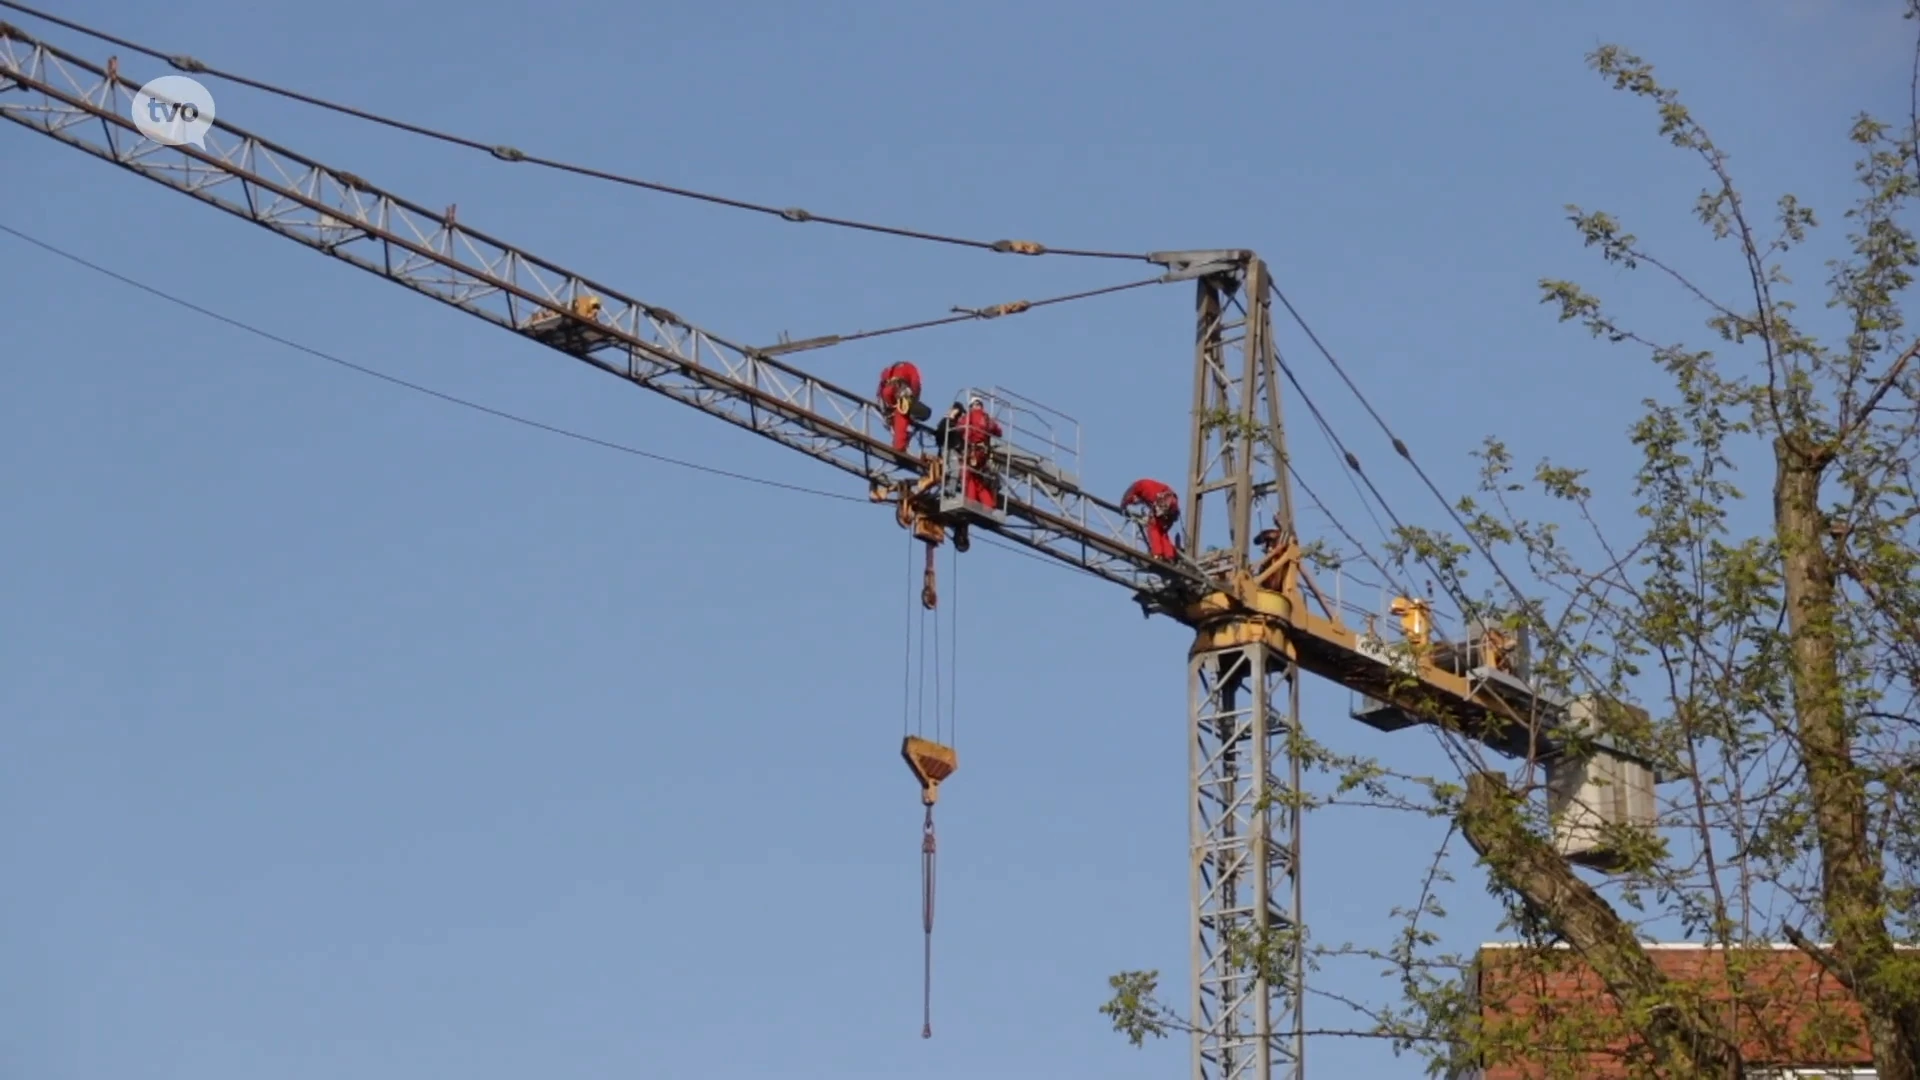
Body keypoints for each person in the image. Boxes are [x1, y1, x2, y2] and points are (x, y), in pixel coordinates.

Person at [956, 395, 1002, 510]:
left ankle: (970, 502)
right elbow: (999, 432)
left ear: (972, 406)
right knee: (979, 480)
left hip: (972, 451)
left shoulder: (970, 416)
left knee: (967, 475)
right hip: (983, 455)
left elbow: (959, 428)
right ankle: (988, 505)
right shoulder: (987, 419)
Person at [1121, 478, 1181, 561]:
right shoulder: (1151, 489)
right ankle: (1169, 555)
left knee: (1152, 528)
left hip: (1164, 503)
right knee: (1162, 531)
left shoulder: (1138, 486)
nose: (1136, 503)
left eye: (1135, 501)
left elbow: (1128, 496)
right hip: (1172, 503)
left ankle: (1157, 554)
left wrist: (1123, 505)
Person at [876, 362, 928, 452]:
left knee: (896, 421)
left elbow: (879, 391)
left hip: (887, 396)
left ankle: (898, 443)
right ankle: (899, 446)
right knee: (901, 417)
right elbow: (916, 383)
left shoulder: (889, 370)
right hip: (899, 391)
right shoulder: (910, 368)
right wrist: (914, 400)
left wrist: (883, 409)